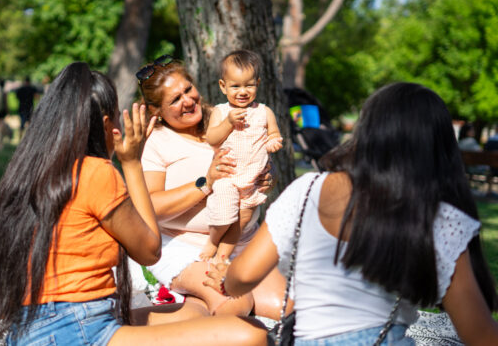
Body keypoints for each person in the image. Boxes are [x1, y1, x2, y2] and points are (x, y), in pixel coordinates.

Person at [0, 62, 267, 346]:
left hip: (29, 324)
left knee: (193, 313)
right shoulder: (97, 172)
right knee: (252, 333)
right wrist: (131, 164)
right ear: (108, 125)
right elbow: (149, 250)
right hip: (78, 327)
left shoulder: (26, 171)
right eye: (118, 115)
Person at [205, 82, 498, 345]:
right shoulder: (436, 215)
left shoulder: (307, 190)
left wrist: (225, 278)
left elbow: (243, 275)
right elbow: (481, 336)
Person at [138, 55, 285, 318]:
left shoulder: (225, 114)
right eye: (175, 99)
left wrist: (266, 179)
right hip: (191, 250)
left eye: (187, 89)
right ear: (155, 111)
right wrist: (206, 183)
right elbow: (151, 207)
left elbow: (259, 156)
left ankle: (192, 310)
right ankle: (146, 326)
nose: (188, 100)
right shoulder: (157, 142)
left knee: (286, 308)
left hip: (244, 244)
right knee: (236, 304)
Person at [201, 50, 283, 262]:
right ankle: (213, 241)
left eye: (249, 85)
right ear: (223, 86)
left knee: (242, 220)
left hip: (253, 180)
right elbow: (212, 138)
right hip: (227, 177)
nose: (242, 91)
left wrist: (274, 141)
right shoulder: (220, 112)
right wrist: (228, 123)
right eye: (235, 86)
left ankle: (222, 255)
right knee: (224, 216)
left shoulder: (264, 112)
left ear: (257, 83)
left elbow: (274, 133)